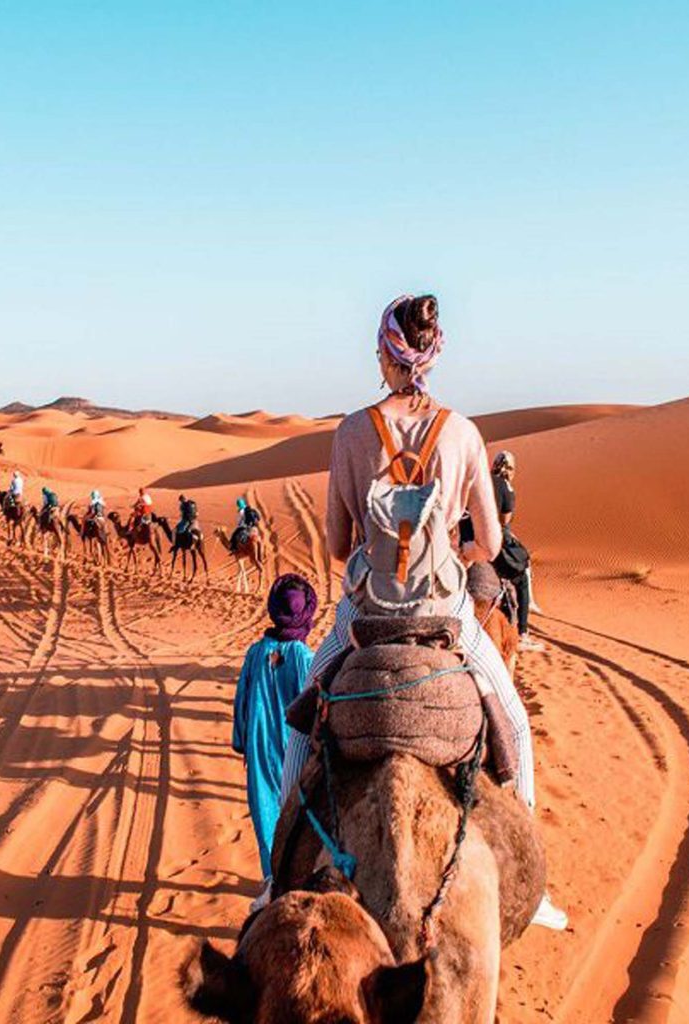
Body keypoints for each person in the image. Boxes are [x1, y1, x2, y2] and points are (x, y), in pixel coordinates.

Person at [279, 293, 567, 930]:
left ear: (386, 353)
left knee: (300, 727)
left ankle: (273, 879)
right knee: (514, 728)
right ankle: (534, 891)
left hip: (364, 620)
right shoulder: (464, 433)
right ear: (433, 358)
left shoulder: (353, 431)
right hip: (447, 623)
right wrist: (452, 547)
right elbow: (488, 544)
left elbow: (334, 545)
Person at [233, 573, 317, 909]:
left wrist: (242, 741)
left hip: (259, 743)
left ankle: (273, 878)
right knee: (296, 812)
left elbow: (241, 699)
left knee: (266, 809)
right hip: (295, 747)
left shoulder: (256, 652)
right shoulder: (303, 656)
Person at [491, 451, 543, 652]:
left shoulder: (483, 481)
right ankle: (522, 631)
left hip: (467, 535)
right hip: (495, 538)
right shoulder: (505, 486)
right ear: (510, 469)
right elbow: (505, 520)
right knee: (522, 572)